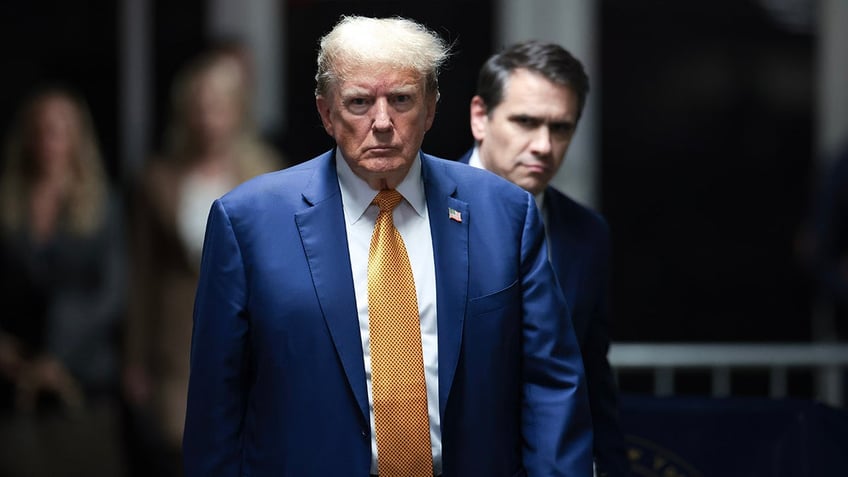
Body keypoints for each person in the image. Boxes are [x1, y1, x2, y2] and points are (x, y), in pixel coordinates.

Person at [182, 15, 593, 477]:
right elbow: (215, 407)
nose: (382, 122)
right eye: (359, 102)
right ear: (326, 112)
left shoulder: (504, 215)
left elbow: (550, 384)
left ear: (432, 108)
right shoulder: (248, 222)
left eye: (401, 99)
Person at [458, 41, 630, 476]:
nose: (543, 145)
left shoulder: (587, 234)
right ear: (481, 117)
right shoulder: (417, 209)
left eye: (561, 128)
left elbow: (591, 377)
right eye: (526, 122)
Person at [122, 46, 284, 476]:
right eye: (198, 107)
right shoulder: (158, 180)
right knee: (183, 452)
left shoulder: (266, 174)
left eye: (217, 106)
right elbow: (142, 276)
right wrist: (134, 359)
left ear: (237, 111)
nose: (207, 117)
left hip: (252, 340)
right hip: (176, 346)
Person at [0, 85, 128, 476]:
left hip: (81, 381)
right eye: (41, 128)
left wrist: (57, 355)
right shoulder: (6, 201)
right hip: (10, 383)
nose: (49, 138)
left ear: (77, 137)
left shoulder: (103, 205)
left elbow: (112, 292)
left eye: (60, 128)